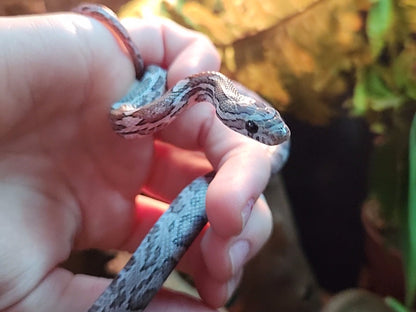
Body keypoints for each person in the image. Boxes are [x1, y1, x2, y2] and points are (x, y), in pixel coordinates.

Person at [0, 10, 277, 312]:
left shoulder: (195, 89)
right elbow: (126, 119)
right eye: (251, 128)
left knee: (235, 183)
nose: (255, 133)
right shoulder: (169, 95)